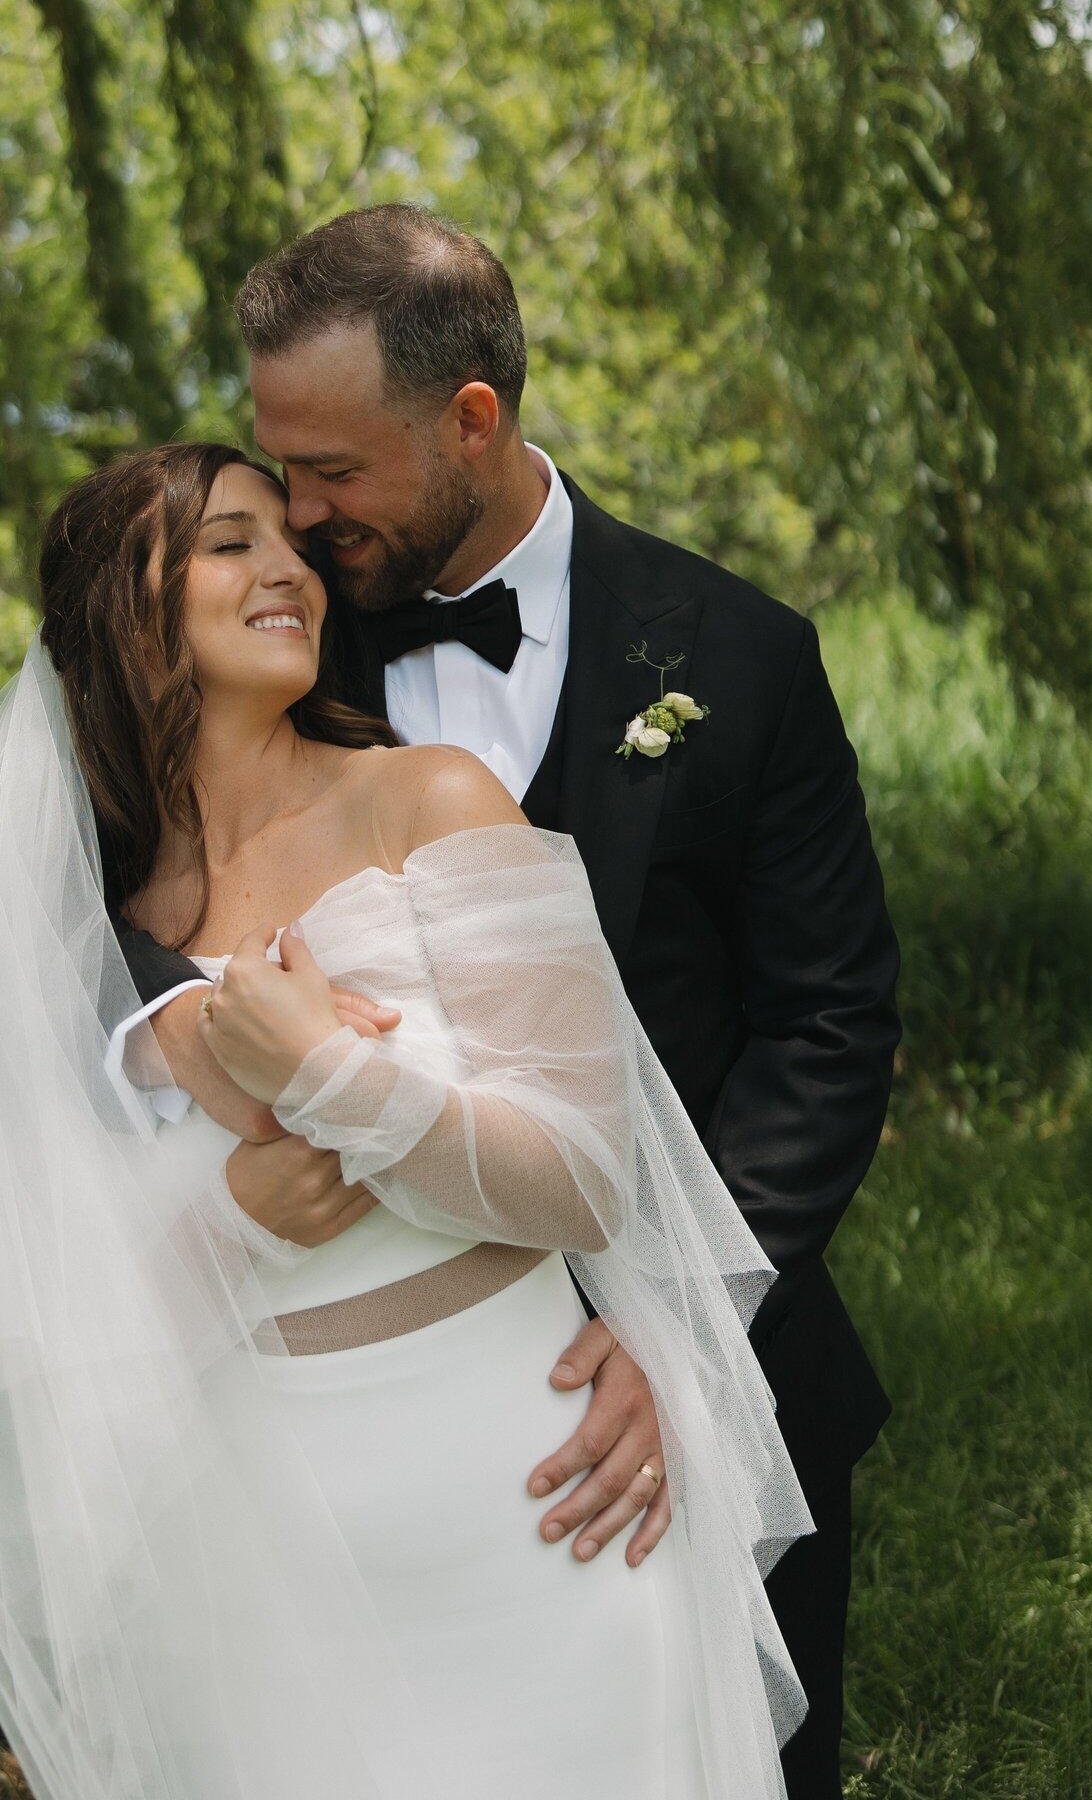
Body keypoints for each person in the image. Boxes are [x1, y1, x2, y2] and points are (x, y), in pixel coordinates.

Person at [0, 437, 815, 1800]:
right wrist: (231, 1224)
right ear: (126, 623)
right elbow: (39, 1316)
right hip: (265, 1550)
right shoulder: (85, 947)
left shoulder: (429, 801)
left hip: (537, 1498)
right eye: (231, 541)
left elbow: (588, 1182)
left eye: (290, 539)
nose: (289, 569)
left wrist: (333, 1079)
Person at [111, 207, 902, 1800]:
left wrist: (676, 1329)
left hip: (711, 1369)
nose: (301, 517)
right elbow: (159, 944)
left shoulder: (737, 657)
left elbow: (826, 1021)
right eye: (278, 473)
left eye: (333, 471)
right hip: (363, 1428)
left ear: (472, 417)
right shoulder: (283, 654)